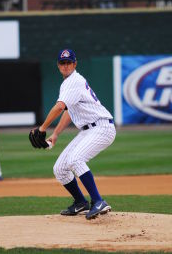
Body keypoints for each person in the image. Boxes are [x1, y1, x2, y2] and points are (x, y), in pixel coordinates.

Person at [29, 49, 116, 220]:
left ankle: (98, 201)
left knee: (76, 159)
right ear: (58, 65)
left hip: (102, 127)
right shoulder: (69, 83)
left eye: (69, 62)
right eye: (63, 63)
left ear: (75, 64)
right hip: (88, 130)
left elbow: (60, 107)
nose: (66, 65)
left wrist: (42, 128)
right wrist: (55, 134)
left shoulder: (73, 81)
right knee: (60, 169)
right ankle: (80, 202)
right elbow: (68, 111)